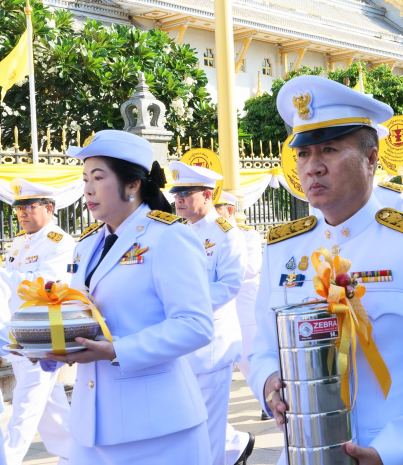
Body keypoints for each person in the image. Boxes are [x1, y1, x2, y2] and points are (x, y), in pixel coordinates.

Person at [248, 75, 403, 465]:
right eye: (303, 154)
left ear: (372, 158)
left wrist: (392, 448)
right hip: (304, 452)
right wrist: (267, 383)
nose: (313, 167)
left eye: (329, 150)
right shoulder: (283, 247)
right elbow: (262, 348)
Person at [46, 130, 214, 463]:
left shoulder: (168, 236)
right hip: (91, 426)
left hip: (158, 429)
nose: (88, 189)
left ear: (132, 184)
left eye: (98, 177)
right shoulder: (86, 245)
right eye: (84, 179)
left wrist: (116, 350)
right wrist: (51, 344)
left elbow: (195, 325)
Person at [169, 162, 247, 465]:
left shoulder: (226, 234)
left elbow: (229, 285)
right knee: (185, 425)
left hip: (211, 346)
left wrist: (185, 303)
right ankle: (237, 445)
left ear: (208, 195)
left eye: (187, 193)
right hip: (179, 343)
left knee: (209, 431)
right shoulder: (176, 231)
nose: (179, 200)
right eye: (177, 193)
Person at [0, 180, 72, 465]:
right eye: (19, 209)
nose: (23, 214)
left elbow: (49, 286)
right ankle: (77, 454)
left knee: (26, 405)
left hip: (43, 332)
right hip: (18, 332)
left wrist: (3, 277)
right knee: (52, 408)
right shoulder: (19, 242)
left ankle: (7, 458)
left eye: (30, 207)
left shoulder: (60, 242)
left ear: (48, 208)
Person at [214, 192, 259, 465]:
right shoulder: (204, 235)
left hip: (245, 313)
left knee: (254, 369)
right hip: (219, 316)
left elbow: (252, 268)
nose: (214, 211)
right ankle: (233, 443)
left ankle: (280, 412)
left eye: (218, 207)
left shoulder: (247, 235)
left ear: (229, 210)